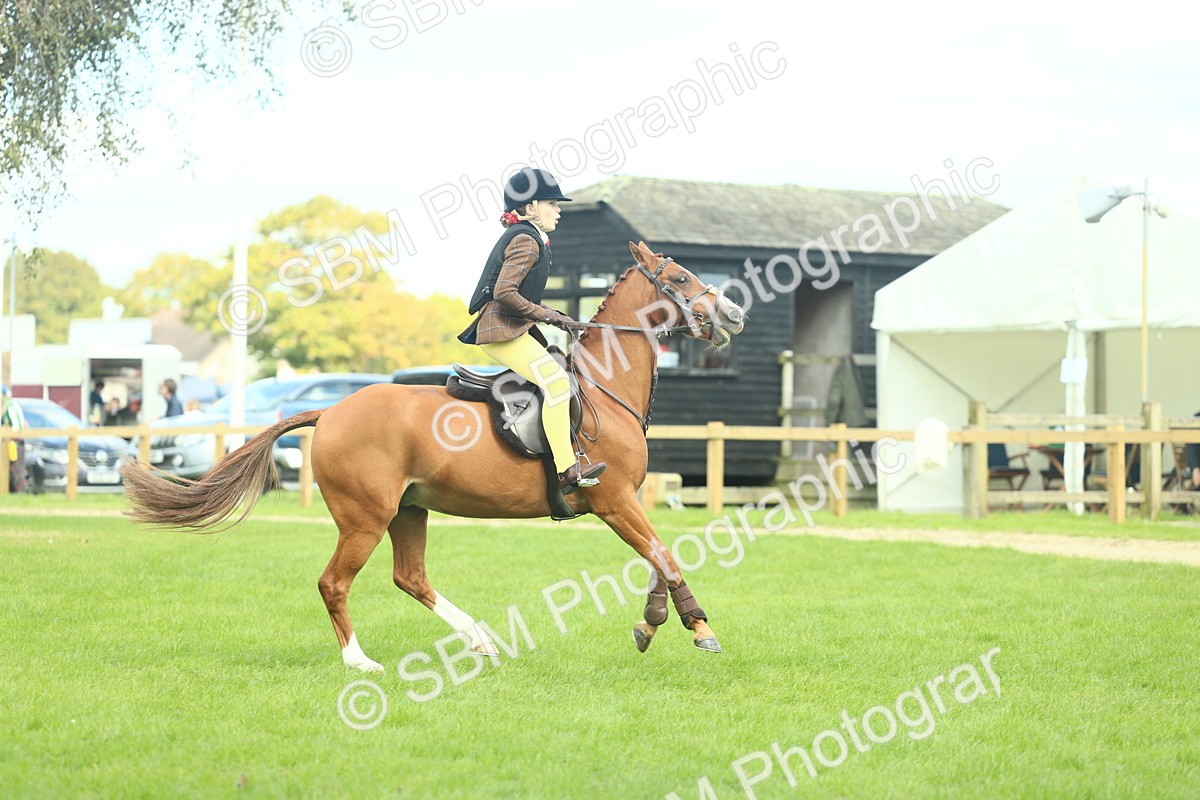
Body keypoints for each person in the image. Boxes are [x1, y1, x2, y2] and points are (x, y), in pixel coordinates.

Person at [457, 166, 606, 496]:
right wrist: (552, 316)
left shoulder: (531, 238)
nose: (559, 209)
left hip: (511, 329)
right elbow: (505, 293)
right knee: (555, 383)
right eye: (552, 202)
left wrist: (557, 318)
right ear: (529, 208)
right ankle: (567, 468)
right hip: (500, 331)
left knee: (556, 374)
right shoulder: (526, 240)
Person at [2, 385, 28, 493]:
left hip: (14, 442)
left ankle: (20, 492)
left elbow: (17, 427)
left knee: (16, 470)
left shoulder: (10, 406)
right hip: (7, 442)